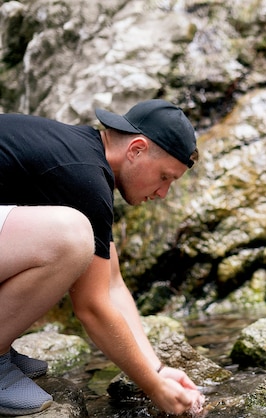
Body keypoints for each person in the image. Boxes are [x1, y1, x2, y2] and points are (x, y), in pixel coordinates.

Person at [0, 99, 204, 416]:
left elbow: (112, 285)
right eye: (165, 177)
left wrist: (158, 369)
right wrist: (153, 387)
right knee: (70, 238)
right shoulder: (84, 176)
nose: (163, 193)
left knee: (72, 238)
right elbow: (93, 307)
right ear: (136, 149)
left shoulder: (83, 160)